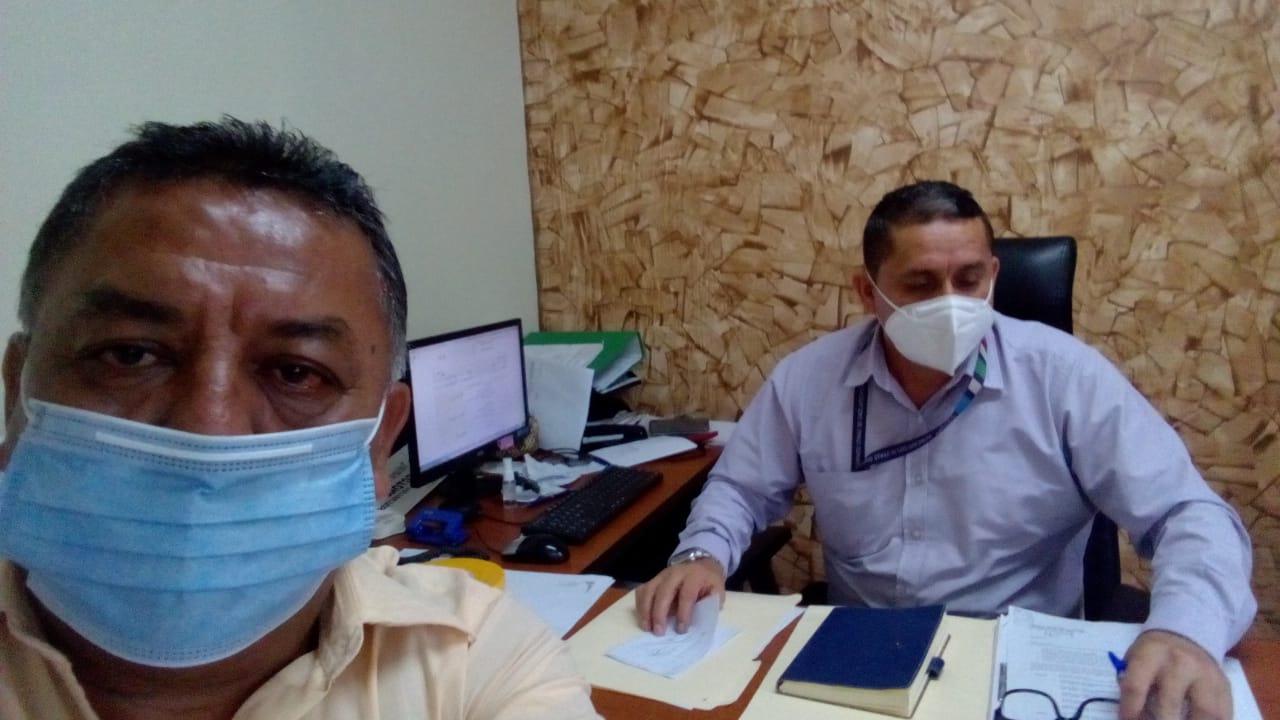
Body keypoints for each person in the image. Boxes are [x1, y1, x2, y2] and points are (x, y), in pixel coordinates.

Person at [0, 118, 600, 720]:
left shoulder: (475, 661)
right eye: (130, 354)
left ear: (380, 442)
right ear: (15, 395)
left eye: (296, 373)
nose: (209, 429)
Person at [636, 181, 1256, 720]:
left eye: (969, 279)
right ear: (867, 292)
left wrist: (1185, 629)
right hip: (860, 656)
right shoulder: (809, 380)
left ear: (994, 275)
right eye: (921, 283)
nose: (952, 302)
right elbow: (741, 488)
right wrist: (702, 554)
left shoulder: (1065, 377)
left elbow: (1188, 514)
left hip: (1014, 657)